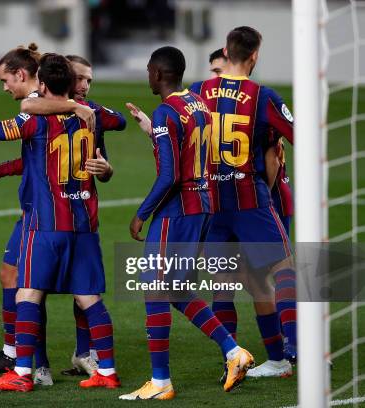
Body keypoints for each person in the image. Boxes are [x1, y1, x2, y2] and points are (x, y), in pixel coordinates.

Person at [0, 53, 119, 392]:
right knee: (89, 299)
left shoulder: (34, 121)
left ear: (41, 84)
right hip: (82, 224)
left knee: (27, 293)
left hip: (46, 224)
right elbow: (121, 121)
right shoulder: (90, 118)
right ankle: (107, 372)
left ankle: (22, 373)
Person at [119, 46, 254, 401]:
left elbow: (169, 175)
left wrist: (142, 213)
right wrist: (153, 131)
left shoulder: (166, 112)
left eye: (149, 70)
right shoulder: (198, 105)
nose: (147, 75)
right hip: (204, 206)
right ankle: (233, 351)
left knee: (155, 289)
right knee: (176, 289)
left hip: (177, 210)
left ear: (159, 74)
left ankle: (160, 381)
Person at [189, 26, 296, 378]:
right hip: (250, 199)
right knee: (284, 271)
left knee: (224, 283)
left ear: (225, 51)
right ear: (254, 56)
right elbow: (301, 137)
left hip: (210, 205)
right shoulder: (263, 96)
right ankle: (293, 351)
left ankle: (233, 361)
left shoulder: (196, 92)